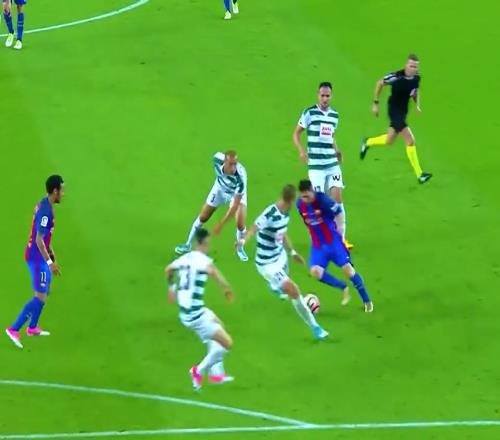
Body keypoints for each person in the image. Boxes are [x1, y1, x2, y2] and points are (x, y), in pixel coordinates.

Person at [238, 184, 329, 340]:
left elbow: (282, 234)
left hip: (280, 256)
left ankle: (274, 286)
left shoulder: (285, 212)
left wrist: (292, 252)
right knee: (294, 290)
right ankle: (316, 328)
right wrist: (242, 241)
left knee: (283, 276)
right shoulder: (270, 214)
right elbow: (253, 228)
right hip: (267, 264)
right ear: (292, 200)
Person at [166, 228, 235, 390]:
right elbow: (213, 272)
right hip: (195, 315)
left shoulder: (185, 257)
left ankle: (216, 374)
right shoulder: (203, 260)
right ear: (202, 244)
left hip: (187, 312)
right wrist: (226, 288)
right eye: (207, 244)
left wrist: (171, 289)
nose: (208, 247)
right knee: (227, 343)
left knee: (218, 323)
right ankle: (198, 371)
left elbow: (168, 269)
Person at [297, 180, 374, 313]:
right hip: (318, 245)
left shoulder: (324, 200)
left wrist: (340, 232)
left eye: (307, 196)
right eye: (303, 197)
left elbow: (339, 212)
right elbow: (306, 220)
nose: (305, 199)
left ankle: (367, 301)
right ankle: (343, 287)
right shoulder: (300, 204)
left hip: (333, 242)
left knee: (348, 270)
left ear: (312, 191)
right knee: (315, 272)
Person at [5, 175, 64, 349]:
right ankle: (14, 329)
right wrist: (50, 262)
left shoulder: (45, 204)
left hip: (40, 255)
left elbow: (45, 238)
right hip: (36, 257)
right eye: (62, 190)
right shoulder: (46, 211)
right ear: (55, 191)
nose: (63, 193)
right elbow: (39, 240)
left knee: (45, 290)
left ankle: (32, 327)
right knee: (40, 296)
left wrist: (52, 254)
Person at [293, 82, 353, 249]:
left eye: (327, 96)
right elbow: (296, 133)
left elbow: (330, 136)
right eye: (322, 95)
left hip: (332, 163)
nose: (325, 98)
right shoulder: (309, 113)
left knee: (337, 198)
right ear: (318, 95)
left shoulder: (334, 115)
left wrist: (337, 150)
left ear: (331, 96)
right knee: (318, 202)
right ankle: (321, 237)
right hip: (316, 167)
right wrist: (301, 151)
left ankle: (341, 238)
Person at [360, 54, 432, 184]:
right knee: (410, 140)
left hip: (403, 111)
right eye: (411, 66)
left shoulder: (416, 77)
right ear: (406, 65)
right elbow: (380, 83)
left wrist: (417, 105)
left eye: (415, 67)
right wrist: (375, 103)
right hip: (394, 110)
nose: (413, 69)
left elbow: (415, 91)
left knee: (389, 140)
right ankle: (419, 174)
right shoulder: (396, 77)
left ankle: (367, 142)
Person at [175, 151, 248, 262]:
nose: (233, 168)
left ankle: (240, 248)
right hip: (219, 189)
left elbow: (234, 207)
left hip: (235, 194)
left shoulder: (241, 178)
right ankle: (187, 244)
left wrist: (221, 224)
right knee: (203, 217)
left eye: (235, 164)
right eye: (230, 164)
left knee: (240, 224)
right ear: (224, 162)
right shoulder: (216, 159)